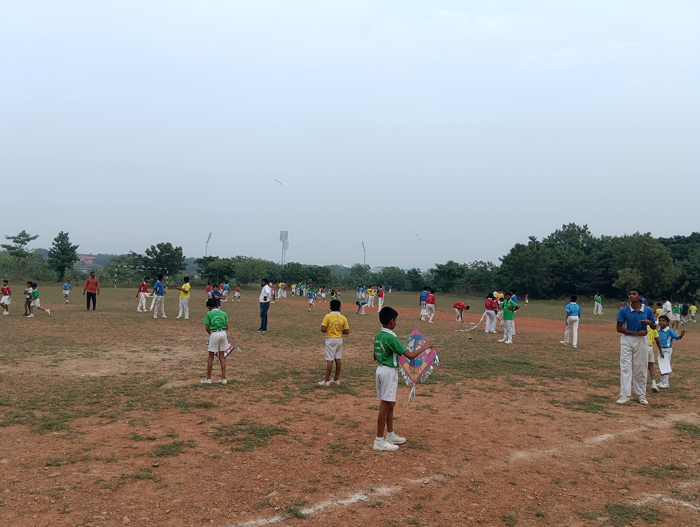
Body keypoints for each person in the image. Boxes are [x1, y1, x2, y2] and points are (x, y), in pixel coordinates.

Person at [372, 306, 433, 452]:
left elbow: (375, 356)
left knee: (390, 404)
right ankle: (379, 440)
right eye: (396, 320)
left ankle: (390, 434)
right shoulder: (391, 337)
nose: (396, 322)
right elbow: (410, 356)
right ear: (391, 321)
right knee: (385, 406)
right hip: (388, 372)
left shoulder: (379, 335)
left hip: (380, 370)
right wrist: (425, 347)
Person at [616, 288, 656, 405]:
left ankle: (641, 394)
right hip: (627, 339)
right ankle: (625, 395)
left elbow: (654, 327)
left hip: (642, 340)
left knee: (641, 367)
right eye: (630, 294)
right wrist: (635, 333)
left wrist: (649, 323)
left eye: (634, 294)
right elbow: (619, 328)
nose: (631, 296)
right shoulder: (624, 310)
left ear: (640, 297)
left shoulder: (647, 310)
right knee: (625, 367)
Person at [319, 299, 350, 386]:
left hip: (330, 339)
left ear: (330, 307)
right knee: (338, 359)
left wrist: (330, 330)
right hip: (339, 339)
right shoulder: (343, 318)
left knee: (330, 360)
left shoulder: (327, 316)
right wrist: (339, 331)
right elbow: (347, 331)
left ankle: (326, 381)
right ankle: (336, 379)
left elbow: (323, 329)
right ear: (340, 308)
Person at [201, 298, 230, 385]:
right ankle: (224, 378)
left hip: (214, 333)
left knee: (211, 357)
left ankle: (208, 378)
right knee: (222, 357)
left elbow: (207, 328)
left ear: (209, 307)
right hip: (223, 333)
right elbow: (227, 327)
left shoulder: (209, 314)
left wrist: (211, 335)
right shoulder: (223, 313)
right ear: (217, 305)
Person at [657, 315, 685, 389]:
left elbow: (677, 337)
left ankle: (666, 382)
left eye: (663, 321)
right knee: (661, 365)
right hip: (660, 349)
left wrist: (681, 335)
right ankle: (662, 381)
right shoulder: (658, 330)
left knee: (665, 365)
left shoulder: (669, 331)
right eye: (660, 320)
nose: (661, 322)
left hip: (667, 349)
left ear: (667, 323)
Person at [646, 323, 663, 394]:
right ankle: (653, 383)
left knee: (642, 366)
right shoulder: (653, 328)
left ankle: (643, 384)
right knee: (651, 366)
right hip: (650, 348)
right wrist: (661, 351)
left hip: (642, 347)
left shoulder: (641, 326)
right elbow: (657, 341)